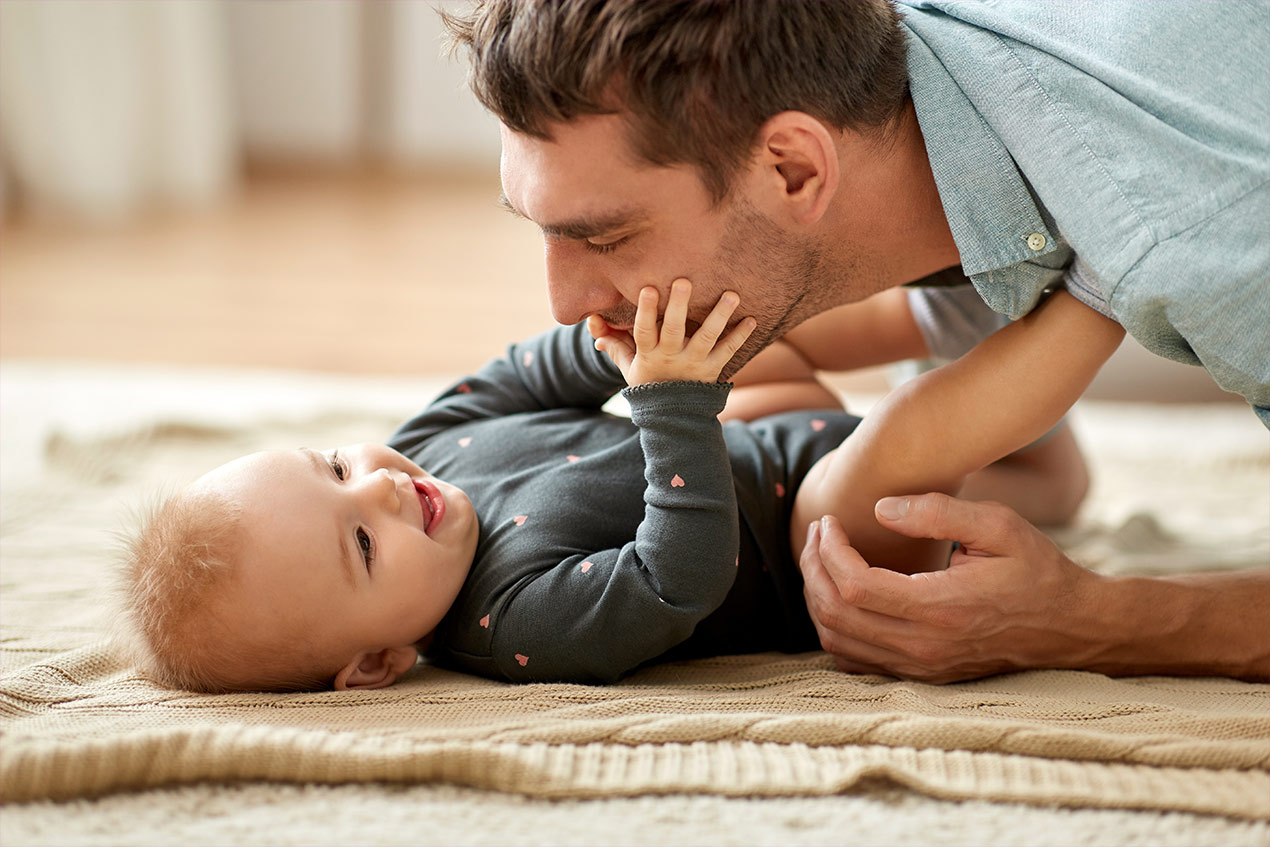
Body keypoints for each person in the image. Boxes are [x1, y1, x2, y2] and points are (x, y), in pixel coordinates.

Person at [441, 0, 1270, 682]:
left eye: (608, 237)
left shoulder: (1203, 243)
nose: (562, 306)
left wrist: (1093, 623)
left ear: (794, 169)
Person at [114, 282, 1120, 692]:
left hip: (762, 426)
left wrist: (632, 339)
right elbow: (678, 572)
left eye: (334, 467)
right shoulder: (513, 621)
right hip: (822, 532)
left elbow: (529, 372)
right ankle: (1096, 298)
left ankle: (976, 300)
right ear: (378, 659)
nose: (378, 490)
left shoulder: (420, 445)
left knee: (763, 334)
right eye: (361, 547)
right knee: (885, 455)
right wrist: (672, 403)